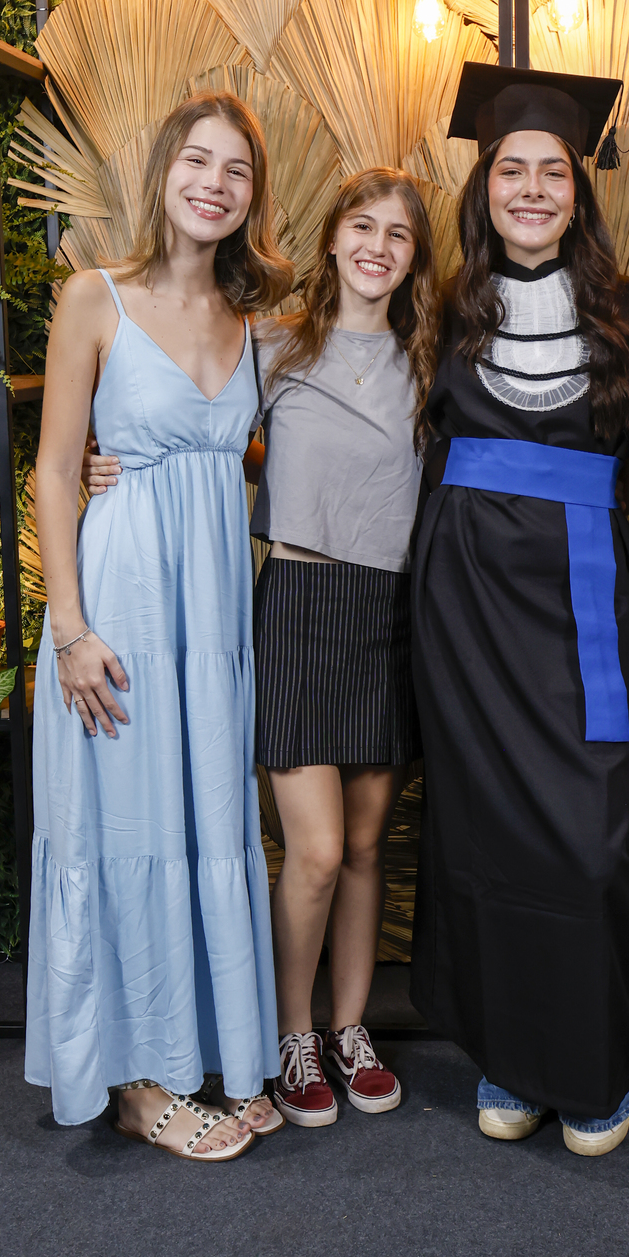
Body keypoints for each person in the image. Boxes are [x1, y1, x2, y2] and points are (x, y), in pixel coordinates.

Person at [411, 64, 629, 1157]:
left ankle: (599, 1067)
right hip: (466, 604)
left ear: (577, 190)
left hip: (583, 597)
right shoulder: (440, 306)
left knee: (587, 839)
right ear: (484, 188)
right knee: (485, 834)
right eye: (509, 170)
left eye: (550, 172)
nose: (529, 189)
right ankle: (513, 1058)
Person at [27, 93, 290, 1160]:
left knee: (202, 824)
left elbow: (244, 457)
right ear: (163, 172)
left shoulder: (255, 323)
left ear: (252, 197)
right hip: (122, 611)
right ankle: (138, 1087)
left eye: (236, 170)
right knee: (128, 829)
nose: (213, 184)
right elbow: (54, 469)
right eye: (197, 161)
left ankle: (210, 1053)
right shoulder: (94, 297)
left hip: (212, 620)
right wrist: (70, 631)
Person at [250, 169, 437, 1126]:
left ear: (414, 260)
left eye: (398, 235)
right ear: (331, 239)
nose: (377, 246)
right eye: (362, 226)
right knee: (315, 852)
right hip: (297, 602)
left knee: (365, 847)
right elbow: (186, 432)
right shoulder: (270, 347)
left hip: (391, 612)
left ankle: (350, 1029)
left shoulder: (433, 368)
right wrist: (98, 457)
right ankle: (293, 1035)